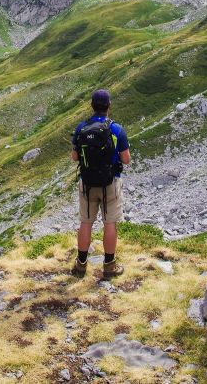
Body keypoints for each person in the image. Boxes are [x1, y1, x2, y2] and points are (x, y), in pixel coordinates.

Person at [70, 89, 130, 279]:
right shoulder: (117, 129)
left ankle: (80, 266)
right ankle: (109, 266)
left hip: (87, 183)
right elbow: (126, 159)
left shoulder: (81, 128)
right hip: (110, 182)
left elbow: (74, 157)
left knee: (85, 222)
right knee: (109, 223)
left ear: (92, 106)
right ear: (109, 106)